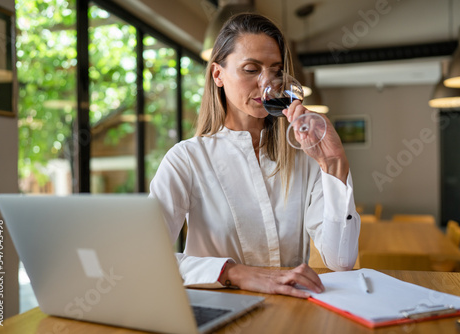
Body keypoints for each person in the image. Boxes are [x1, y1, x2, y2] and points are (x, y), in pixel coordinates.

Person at [149, 13, 360, 299]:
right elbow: (146, 258)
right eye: (251, 69)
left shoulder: (304, 156)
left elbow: (341, 261)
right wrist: (234, 272)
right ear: (218, 75)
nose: (266, 83)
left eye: (275, 71)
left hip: (292, 314)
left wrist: (334, 163)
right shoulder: (187, 159)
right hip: (218, 310)